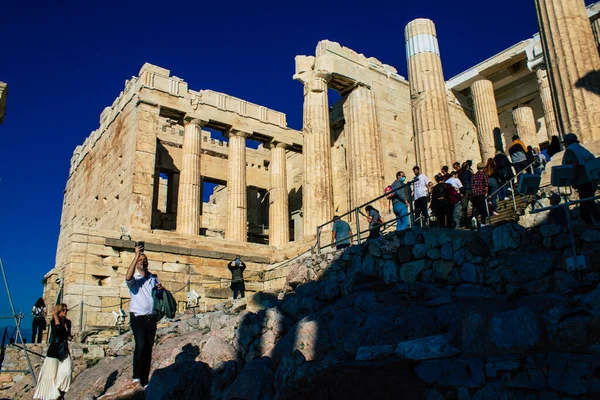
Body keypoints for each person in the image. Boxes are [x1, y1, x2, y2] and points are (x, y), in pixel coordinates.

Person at [126, 245, 162, 389]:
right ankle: (136, 377)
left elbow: (157, 295)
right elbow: (127, 276)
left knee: (148, 348)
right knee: (140, 346)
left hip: (151, 317)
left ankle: (145, 379)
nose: (143, 261)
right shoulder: (134, 279)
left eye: (144, 259)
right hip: (137, 317)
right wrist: (136, 256)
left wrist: (160, 290)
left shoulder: (153, 278)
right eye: (141, 260)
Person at [33, 303, 72, 400]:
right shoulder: (54, 322)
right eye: (63, 310)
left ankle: (60, 390)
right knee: (51, 374)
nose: (65, 312)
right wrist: (55, 316)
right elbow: (57, 330)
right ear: (58, 311)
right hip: (54, 349)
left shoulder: (68, 322)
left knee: (67, 371)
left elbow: (67, 334)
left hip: (64, 349)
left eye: (66, 310)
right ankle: (52, 395)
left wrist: (70, 337)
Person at [561, 133, 600, 225]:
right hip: (591, 178)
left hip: (582, 180)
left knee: (586, 202)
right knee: (589, 200)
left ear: (566, 143)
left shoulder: (570, 151)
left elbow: (575, 165)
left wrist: (573, 179)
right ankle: (593, 221)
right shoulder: (581, 149)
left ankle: (590, 223)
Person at [471, 162, 489, 228]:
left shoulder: (473, 176)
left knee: (475, 207)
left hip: (474, 194)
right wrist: (486, 193)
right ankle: (483, 222)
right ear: (483, 168)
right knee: (482, 209)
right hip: (481, 193)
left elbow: (472, 185)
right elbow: (486, 185)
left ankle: (474, 217)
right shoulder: (484, 175)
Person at [457, 162, 473, 227]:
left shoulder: (459, 174)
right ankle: (472, 219)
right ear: (467, 167)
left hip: (462, 190)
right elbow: (472, 181)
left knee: (464, 207)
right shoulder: (469, 173)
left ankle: (464, 222)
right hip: (469, 190)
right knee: (474, 204)